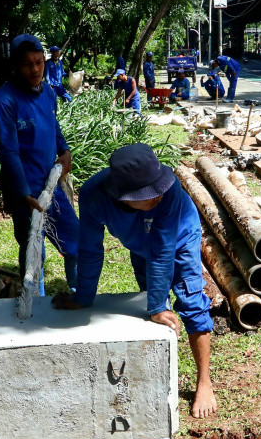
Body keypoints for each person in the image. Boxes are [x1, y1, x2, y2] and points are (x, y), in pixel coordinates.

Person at [54, 144, 216, 418]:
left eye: (158, 188)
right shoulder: (94, 194)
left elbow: (164, 250)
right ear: (123, 196)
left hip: (179, 238)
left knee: (190, 300)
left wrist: (156, 306)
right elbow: (90, 248)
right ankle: (159, 366)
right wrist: (83, 297)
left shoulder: (170, 193)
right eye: (148, 194)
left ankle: (204, 382)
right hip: (139, 242)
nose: (158, 195)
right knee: (150, 297)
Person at [0, 34, 80, 293]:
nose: (35, 69)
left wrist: (65, 151)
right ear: (15, 66)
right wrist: (23, 193)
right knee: (33, 251)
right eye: (28, 64)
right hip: (25, 191)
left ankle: (79, 295)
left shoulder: (48, 93)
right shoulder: (4, 101)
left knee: (74, 239)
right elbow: (7, 151)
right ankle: (34, 306)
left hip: (50, 183)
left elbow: (53, 127)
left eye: (39, 62)